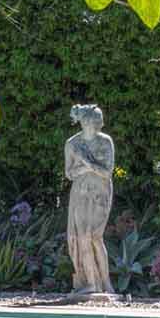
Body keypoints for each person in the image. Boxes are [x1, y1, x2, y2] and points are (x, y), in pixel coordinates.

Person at [64, 103, 115, 296]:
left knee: (95, 236)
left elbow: (106, 172)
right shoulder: (72, 144)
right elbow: (69, 173)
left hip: (100, 193)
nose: (98, 123)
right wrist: (88, 167)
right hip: (80, 193)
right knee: (81, 238)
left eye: (98, 120)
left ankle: (106, 283)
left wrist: (86, 162)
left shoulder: (105, 141)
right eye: (94, 119)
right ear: (84, 121)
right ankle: (91, 284)